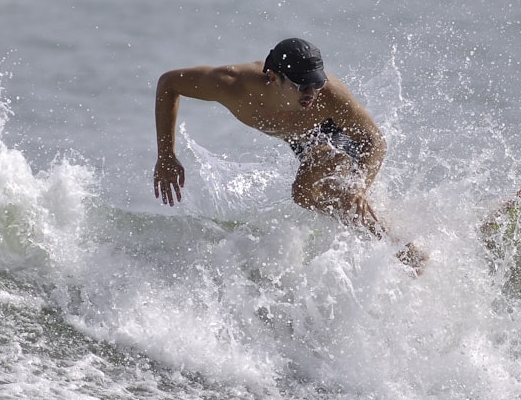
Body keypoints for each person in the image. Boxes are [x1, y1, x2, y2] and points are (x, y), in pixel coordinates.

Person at [153, 37, 426, 271]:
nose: (311, 93)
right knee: (309, 198)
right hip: (304, 141)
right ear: (273, 77)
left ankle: (401, 252)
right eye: (302, 85)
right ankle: (397, 249)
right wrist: (166, 155)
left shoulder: (330, 95)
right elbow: (169, 84)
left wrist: (360, 185)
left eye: (316, 84)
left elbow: (374, 140)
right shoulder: (231, 84)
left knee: (333, 189)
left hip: (338, 139)